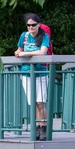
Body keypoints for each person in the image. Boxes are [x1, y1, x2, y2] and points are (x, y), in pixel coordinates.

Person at [15, 13, 50, 141]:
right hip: (26, 73)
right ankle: (36, 127)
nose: (31, 27)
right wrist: (19, 52)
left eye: (33, 25)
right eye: (29, 25)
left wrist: (25, 53)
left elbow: (42, 52)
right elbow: (19, 49)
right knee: (34, 103)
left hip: (40, 72)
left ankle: (43, 127)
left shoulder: (44, 36)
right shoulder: (23, 36)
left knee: (41, 102)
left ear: (38, 25)